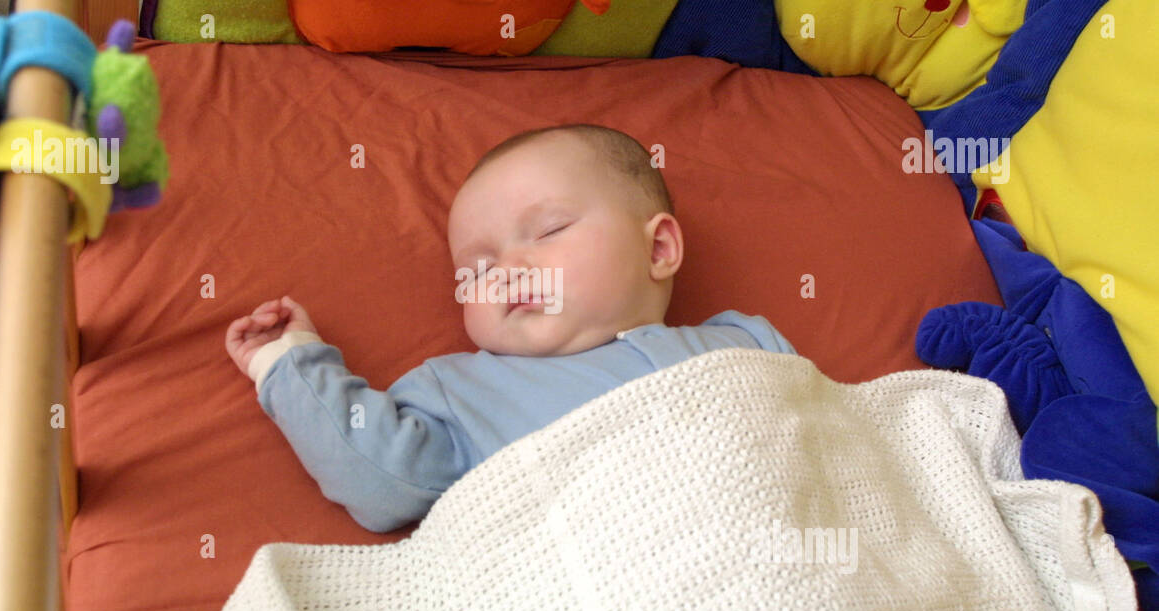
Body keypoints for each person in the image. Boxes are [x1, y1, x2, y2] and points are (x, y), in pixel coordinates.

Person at [225, 124, 797, 532]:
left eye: (549, 231)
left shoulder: (745, 342)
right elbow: (379, 482)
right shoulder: (462, 393)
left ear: (659, 247)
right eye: (476, 269)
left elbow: (842, 431)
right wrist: (292, 362)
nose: (507, 271)